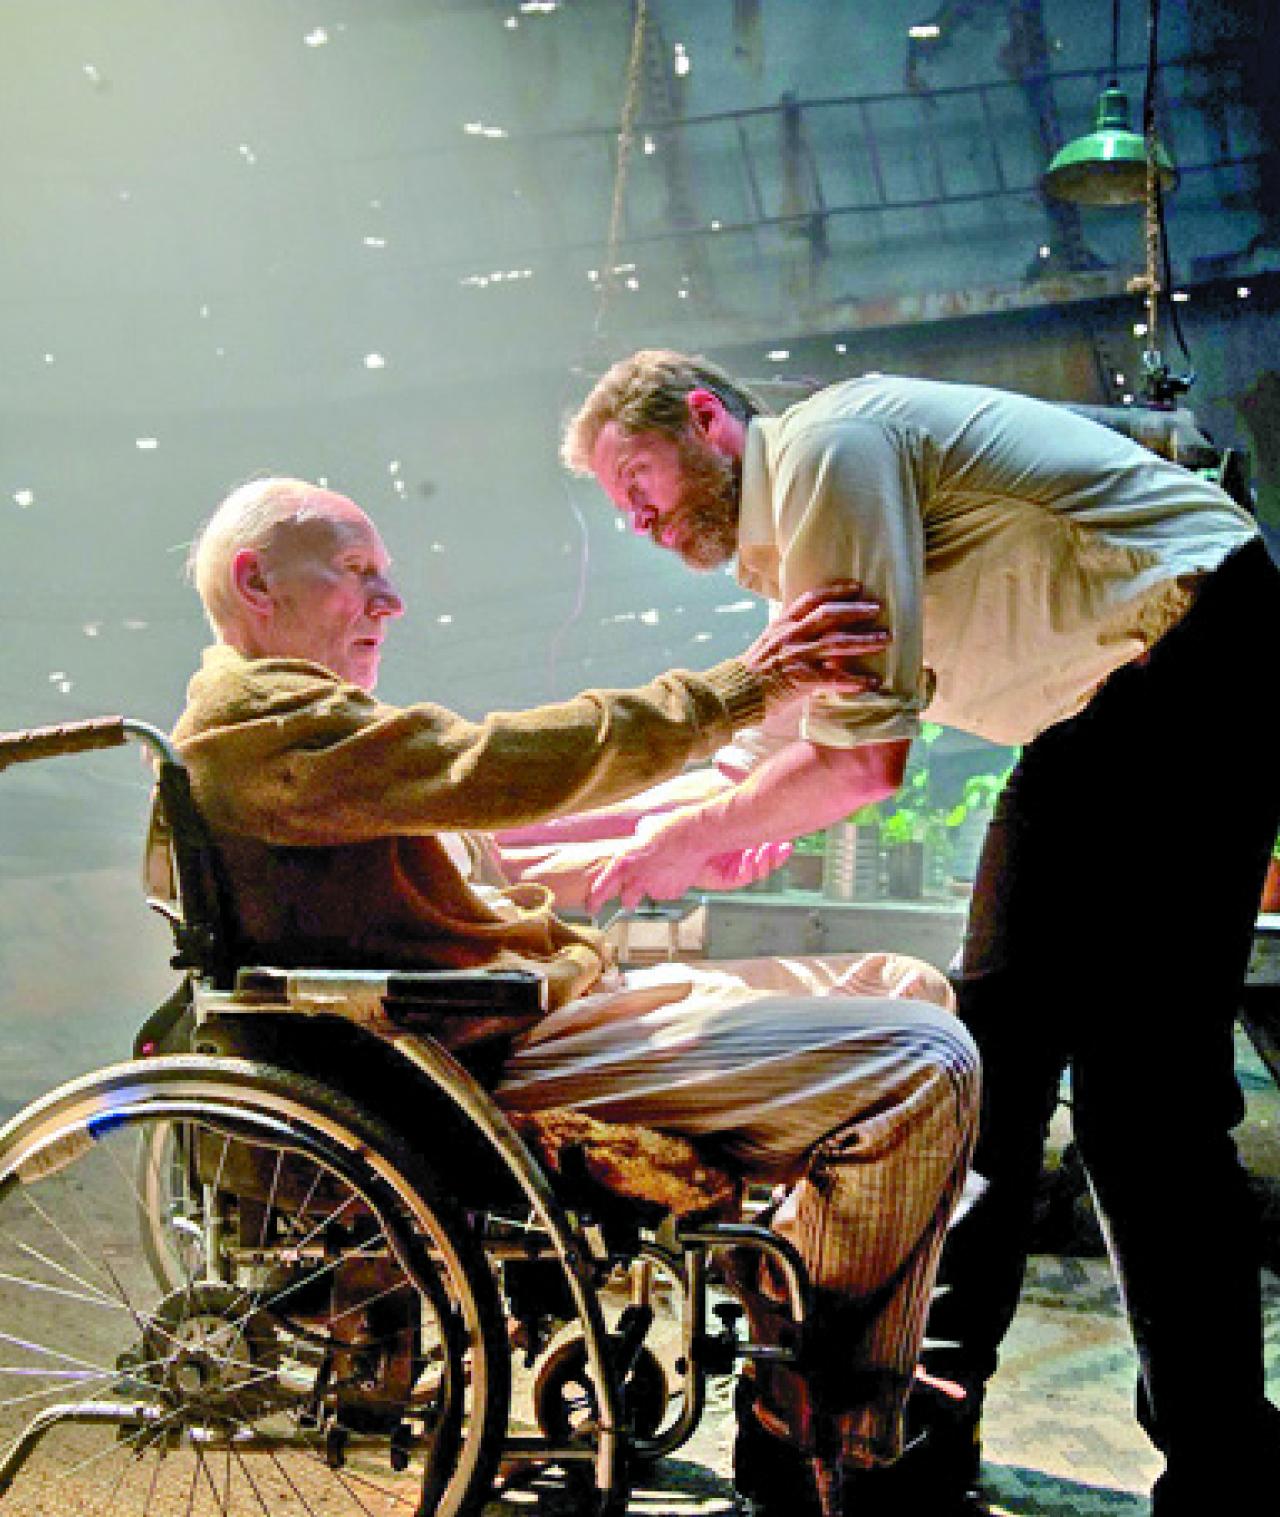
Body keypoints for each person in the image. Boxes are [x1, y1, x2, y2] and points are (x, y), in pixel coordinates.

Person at [560, 352, 1280, 1517]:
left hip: (1189, 657)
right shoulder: (796, 534)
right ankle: (907, 1438)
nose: (635, 519)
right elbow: (776, 738)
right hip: (1102, 706)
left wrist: (692, 839)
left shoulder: (825, 449)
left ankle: (1225, 1473)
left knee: (1142, 1102)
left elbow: (859, 761)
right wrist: (679, 824)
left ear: (704, 419)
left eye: (636, 479)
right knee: (981, 1063)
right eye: (619, 504)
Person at [175, 476, 980, 1517]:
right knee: (925, 1061)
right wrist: (742, 688)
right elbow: (505, 762)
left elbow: (475, 878)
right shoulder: (267, 728)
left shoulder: (315, 734)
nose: (391, 601)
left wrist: (658, 853)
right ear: (256, 582)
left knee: (908, 984)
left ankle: (800, 1319)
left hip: (522, 1008)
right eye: (357, 571)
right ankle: (828, 1413)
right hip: (484, 1053)